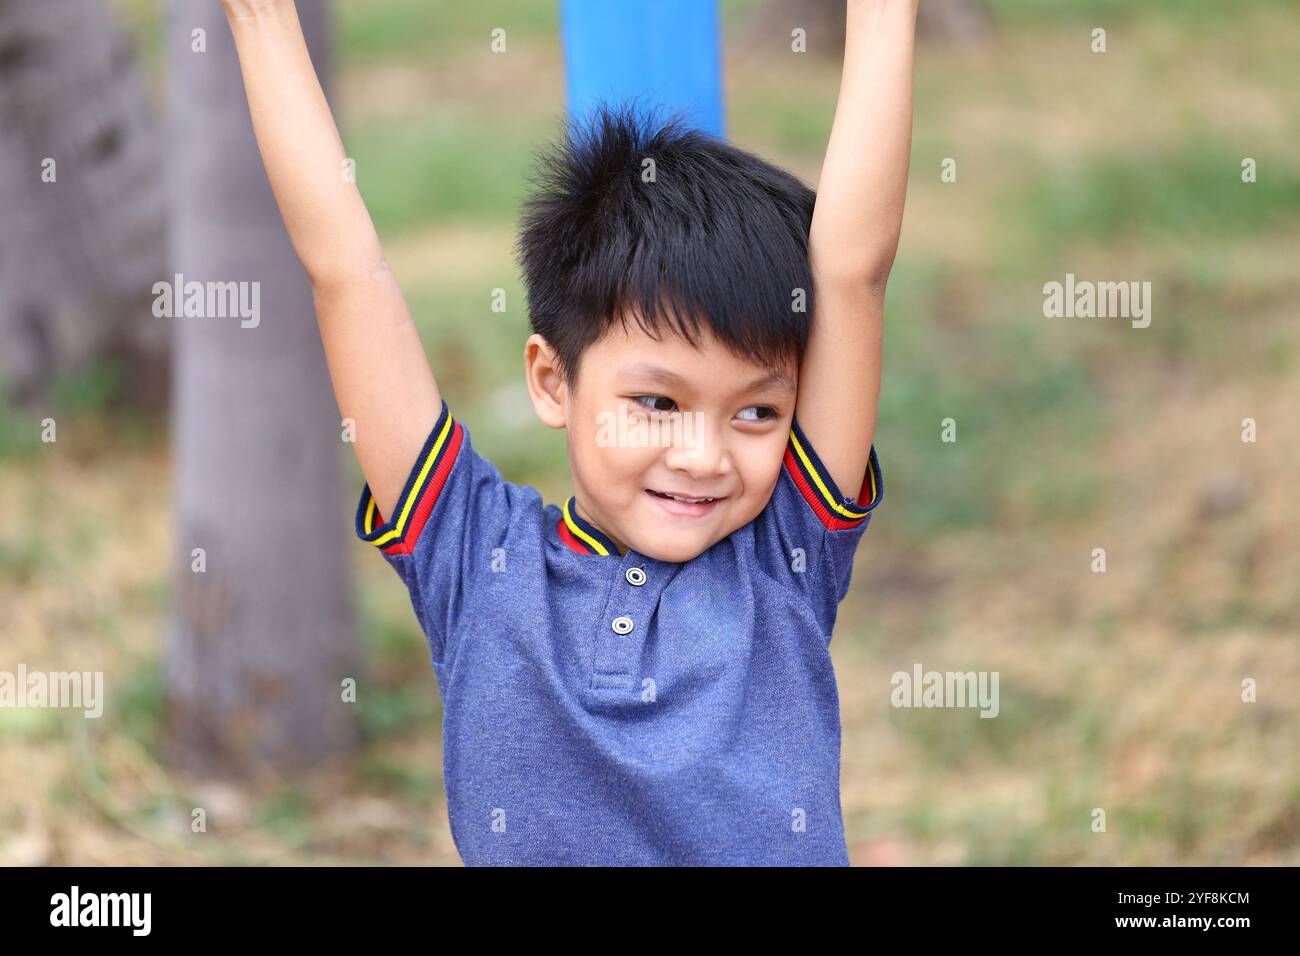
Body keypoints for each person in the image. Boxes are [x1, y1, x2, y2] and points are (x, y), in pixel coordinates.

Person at [219, 0, 917, 865]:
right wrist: (261, 22)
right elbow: (345, 274)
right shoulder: (475, 558)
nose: (703, 456)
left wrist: (886, 17)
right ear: (553, 380)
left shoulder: (784, 559)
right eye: (657, 403)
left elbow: (852, 274)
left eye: (756, 413)